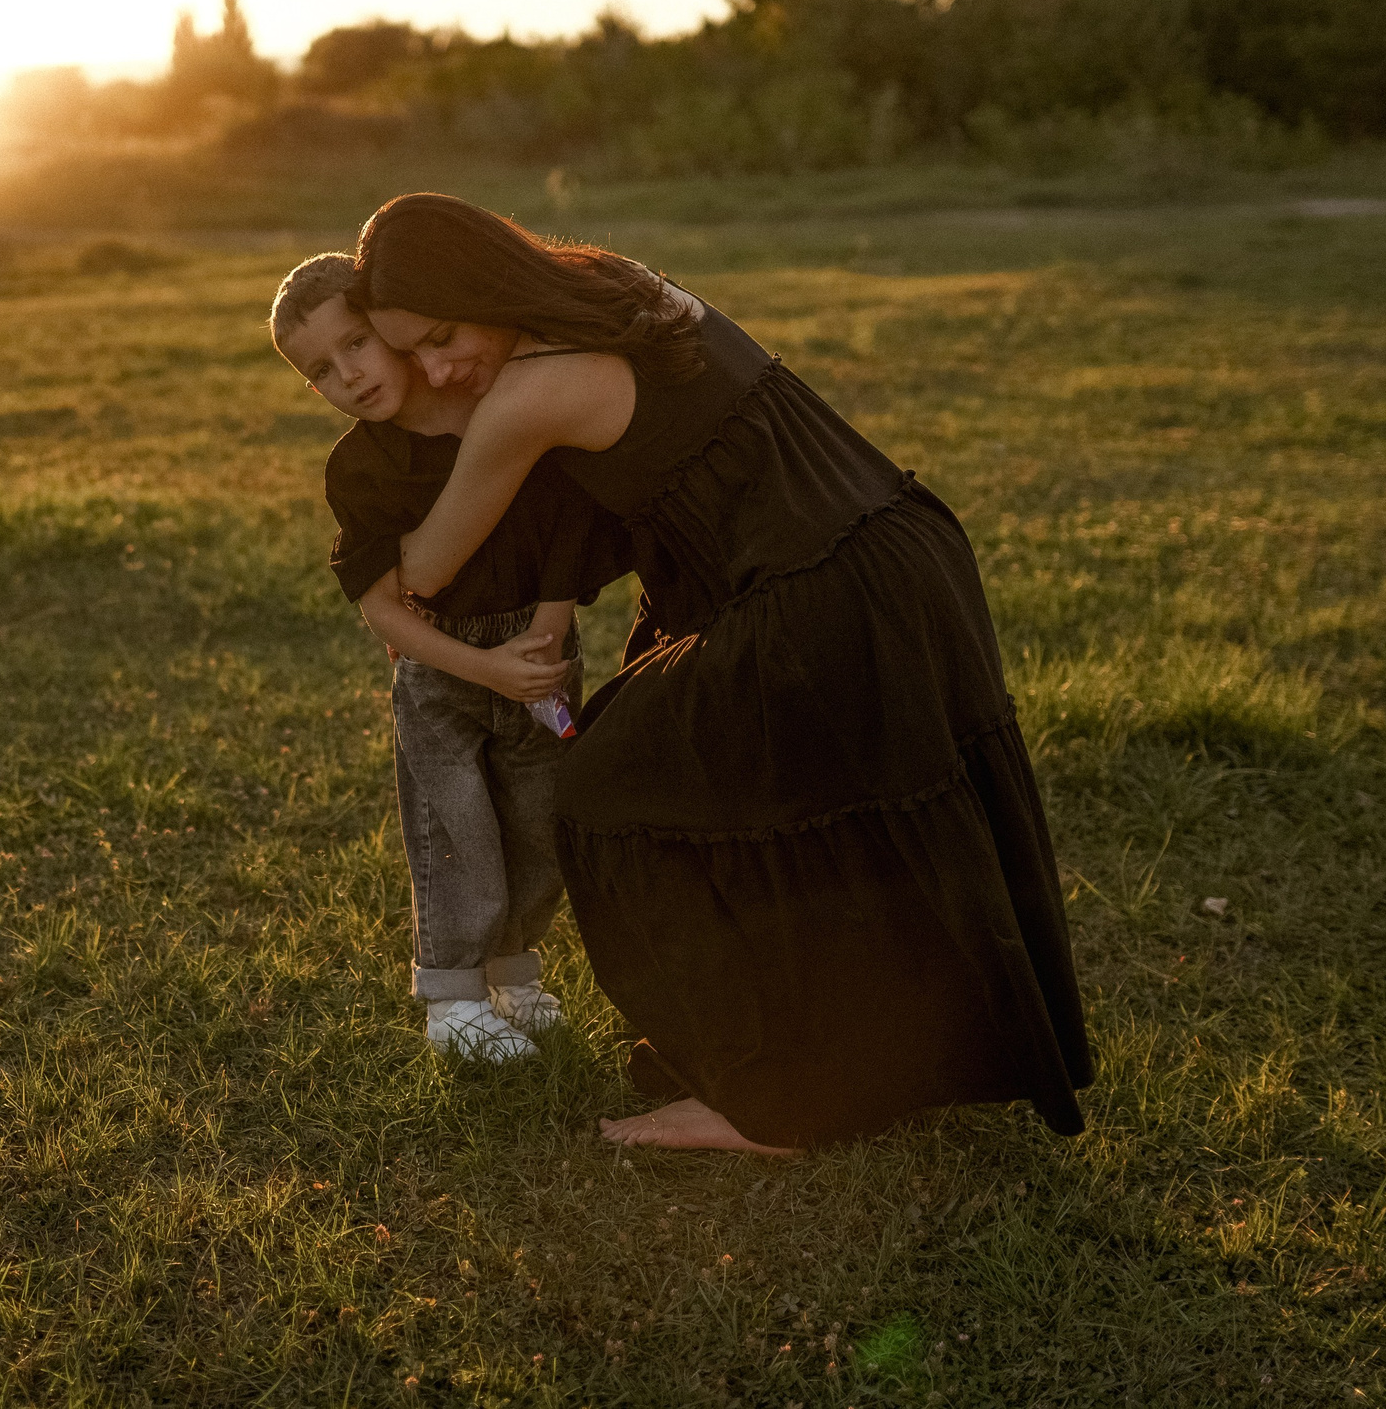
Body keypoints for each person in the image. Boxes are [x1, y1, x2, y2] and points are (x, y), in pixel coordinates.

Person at [351, 195, 1093, 1153]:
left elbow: (428, 567)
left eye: (445, 338)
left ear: (484, 286)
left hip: (815, 601)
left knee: (609, 792)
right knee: (795, 807)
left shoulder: (530, 392)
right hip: (895, 553)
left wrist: (368, 518)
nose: (441, 368)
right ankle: (840, 1055)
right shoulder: (612, 286)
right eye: (415, 357)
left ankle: (772, 1100)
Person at [270, 252, 632, 1063]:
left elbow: (570, 528)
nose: (350, 375)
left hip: (539, 649)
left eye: (357, 343)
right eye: (321, 370)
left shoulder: (500, 411)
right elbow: (382, 611)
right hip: (442, 671)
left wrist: (546, 634)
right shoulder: (359, 469)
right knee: (453, 826)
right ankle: (452, 995)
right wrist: (484, 669)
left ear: (395, 329)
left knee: (539, 823)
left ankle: (515, 972)